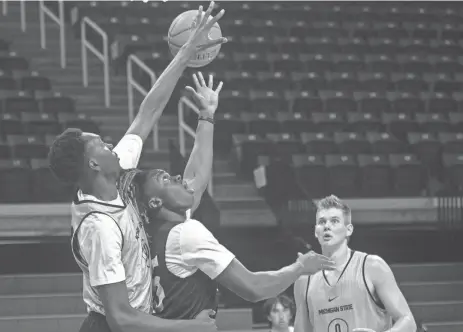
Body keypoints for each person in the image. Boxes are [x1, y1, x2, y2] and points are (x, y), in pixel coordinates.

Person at [47, 3, 227, 332]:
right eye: (101, 143)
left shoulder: (114, 172)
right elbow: (120, 319)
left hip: (141, 319)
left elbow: (148, 112)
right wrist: (192, 328)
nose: (109, 143)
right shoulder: (98, 228)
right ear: (92, 163)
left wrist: (186, 53)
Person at [130, 72, 336, 320]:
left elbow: (197, 177)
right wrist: (300, 268)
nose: (176, 177)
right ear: (155, 202)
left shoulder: (156, 231)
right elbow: (253, 288)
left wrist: (206, 116)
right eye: (165, 179)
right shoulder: (186, 234)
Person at [293, 195, 417, 332]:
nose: (327, 226)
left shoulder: (372, 267)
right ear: (316, 231)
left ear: (349, 229)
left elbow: (408, 321)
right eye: (322, 222)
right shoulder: (304, 279)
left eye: (334, 221)